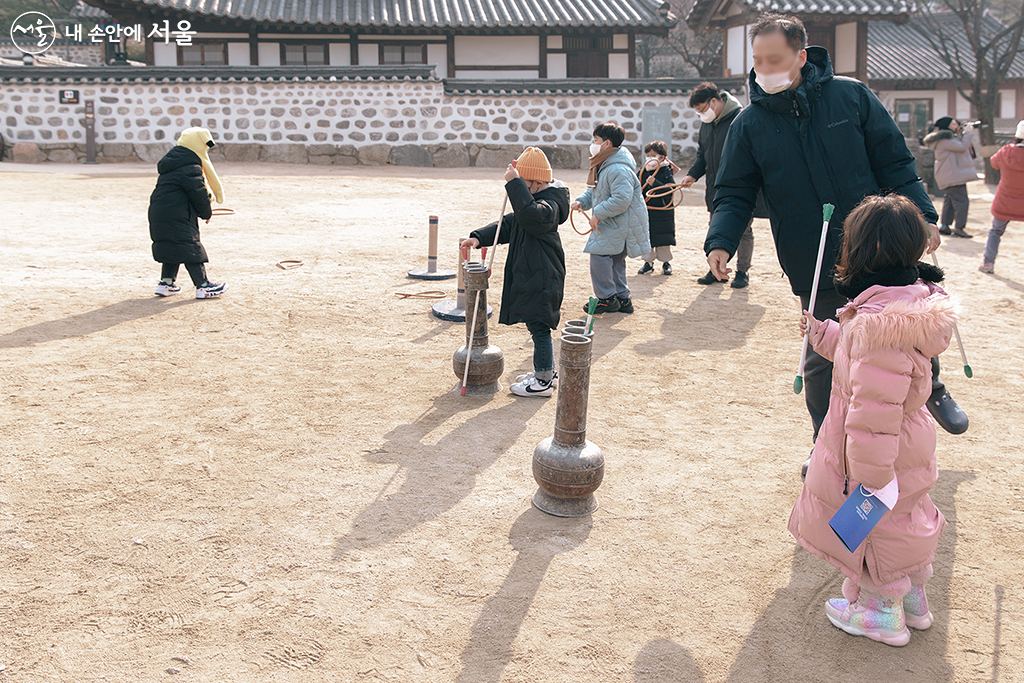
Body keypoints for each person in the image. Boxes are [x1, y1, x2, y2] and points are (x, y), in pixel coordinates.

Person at [703, 13, 968, 473]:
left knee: (907, 328)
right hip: (813, 253)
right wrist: (721, 239)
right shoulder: (748, 125)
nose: (765, 67)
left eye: (776, 58)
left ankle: (934, 392)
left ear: (801, 56)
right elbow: (733, 191)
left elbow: (895, 161)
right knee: (824, 354)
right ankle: (826, 441)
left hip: (881, 242)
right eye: (759, 59)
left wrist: (923, 214)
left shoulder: (852, 96)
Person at [790, 194, 958, 647]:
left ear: (862, 252)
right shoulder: (906, 301)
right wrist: (825, 333)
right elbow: (859, 354)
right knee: (907, 518)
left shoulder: (879, 327)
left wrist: (869, 478)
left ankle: (881, 612)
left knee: (876, 527)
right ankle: (914, 601)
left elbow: (873, 413)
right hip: (909, 442)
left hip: (879, 451)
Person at [461, 147, 570, 398]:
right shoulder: (531, 202)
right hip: (533, 273)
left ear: (537, 182)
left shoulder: (549, 205)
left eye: (525, 183)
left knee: (539, 325)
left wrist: (514, 184)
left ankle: (543, 380)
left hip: (544, 274)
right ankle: (546, 371)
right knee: (536, 324)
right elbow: (508, 224)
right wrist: (478, 238)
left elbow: (531, 215)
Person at [682, 81, 768, 289]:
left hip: (739, 188)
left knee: (744, 230)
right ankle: (717, 268)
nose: (702, 114)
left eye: (702, 109)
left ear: (714, 101)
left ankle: (742, 271)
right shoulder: (707, 124)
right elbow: (703, 155)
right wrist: (693, 175)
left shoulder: (740, 119)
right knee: (716, 228)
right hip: (715, 187)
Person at [572, 122, 651, 315]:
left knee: (599, 256)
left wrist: (597, 214)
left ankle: (606, 298)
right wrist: (582, 202)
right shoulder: (608, 164)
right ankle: (623, 298)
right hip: (617, 223)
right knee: (615, 260)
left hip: (617, 223)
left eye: (596, 141)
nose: (593, 144)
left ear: (606, 143)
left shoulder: (616, 168)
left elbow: (621, 199)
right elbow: (597, 192)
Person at [149, 127, 228, 299]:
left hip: (160, 212)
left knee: (172, 245)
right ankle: (203, 286)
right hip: (177, 214)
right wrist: (206, 213)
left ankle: (166, 283)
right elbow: (198, 194)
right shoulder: (190, 166)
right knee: (189, 246)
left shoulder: (174, 161)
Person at [980, 120, 1024, 273]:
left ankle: (988, 263)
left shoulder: (1006, 151)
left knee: (995, 231)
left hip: (1005, 199)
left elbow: (994, 163)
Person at [923, 117, 977, 238]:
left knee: (950, 201)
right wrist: (968, 133)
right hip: (953, 176)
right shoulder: (944, 139)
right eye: (953, 123)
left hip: (948, 174)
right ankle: (958, 228)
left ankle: (945, 226)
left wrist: (962, 132)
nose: (956, 124)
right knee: (962, 201)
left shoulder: (942, 139)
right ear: (946, 126)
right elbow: (962, 147)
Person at [638, 140, 678, 276]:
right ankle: (648, 263)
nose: (650, 158)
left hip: (662, 212)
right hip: (647, 211)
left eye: (653, 155)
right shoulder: (643, 171)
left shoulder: (666, 170)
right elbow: (638, 188)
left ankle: (666, 263)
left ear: (662, 156)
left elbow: (670, 190)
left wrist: (655, 183)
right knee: (646, 237)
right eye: (648, 155)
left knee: (663, 239)